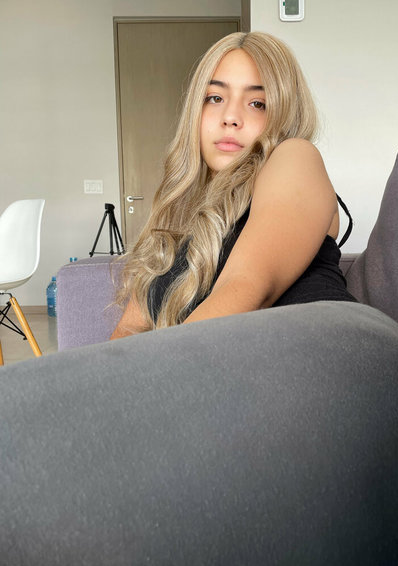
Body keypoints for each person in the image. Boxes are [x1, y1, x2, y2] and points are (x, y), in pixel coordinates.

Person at [111, 31, 356, 340]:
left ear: (284, 112)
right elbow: (130, 328)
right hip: (232, 365)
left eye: (257, 103)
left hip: (328, 350)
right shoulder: (179, 218)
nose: (230, 117)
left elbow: (248, 288)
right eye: (215, 98)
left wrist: (155, 365)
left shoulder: (296, 157)